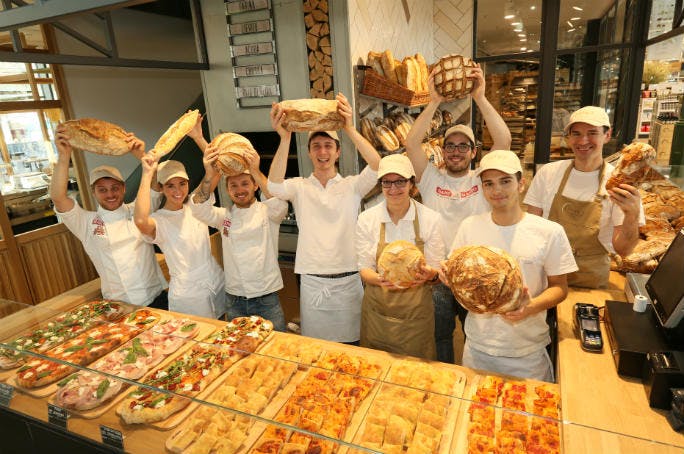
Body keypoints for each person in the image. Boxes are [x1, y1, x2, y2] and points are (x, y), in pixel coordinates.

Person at [405, 64, 512, 363]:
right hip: (437, 275)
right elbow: (411, 143)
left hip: (475, 275)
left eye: (463, 146)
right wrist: (435, 100)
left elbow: (504, 142)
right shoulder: (430, 178)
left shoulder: (482, 179)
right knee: (439, 336)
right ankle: (444, 377)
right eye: (449, 145)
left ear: (473, 152)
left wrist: (481, 98)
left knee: (473, 334)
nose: (455, 151)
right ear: (442, 150)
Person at [446, 150, 578, 381]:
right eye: (489, 184)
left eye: (505, 181)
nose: (497, 190)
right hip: (478, 348)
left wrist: (531, 307)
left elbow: (560, 288)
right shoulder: (470, 226)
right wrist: (446, 277)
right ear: (482, 189)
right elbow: (457, 276)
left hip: (526, 353)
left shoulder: (549, 232)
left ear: (521, 183)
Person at [268, 93, 381, 344]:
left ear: (338, 152)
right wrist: (285, 137)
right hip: (312, 278)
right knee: (317, 347)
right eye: (316, 146)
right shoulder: (299, 187)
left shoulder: (352, 185)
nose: (323, 151)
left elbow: (376, 165)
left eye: (328, 145)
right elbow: (273, 185)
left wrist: (349, 128)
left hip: (349, 276)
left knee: (353, 345)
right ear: (308, 152)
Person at [524, 106, 643, 289]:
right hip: (547, 275)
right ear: (569, 137)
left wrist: (632, 215)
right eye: (576, 133)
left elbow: (624, 250)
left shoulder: (619, 184)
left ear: (607, 135)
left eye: (592, 133)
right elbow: (531, 229)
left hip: (590, 278)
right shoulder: (548, 174)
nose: (583, 140)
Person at [50, 125, 168, 309]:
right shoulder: (87, 222)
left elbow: (154, 184)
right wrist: (64, 156)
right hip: (118, 306)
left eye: (115, 188)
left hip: (156, 299)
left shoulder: (138, 209)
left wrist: (140, 154)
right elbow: (58, 198)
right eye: (102, 190)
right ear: (93, 192)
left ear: (123, 188)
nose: (110, 194)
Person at [190, 140, 288, 332]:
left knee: (278, 348)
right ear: (227, 190)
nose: (240, 190)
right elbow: (197, 208)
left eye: (245, 183)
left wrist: (255, 170)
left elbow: (279, 203)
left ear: (255, 186)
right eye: (233, 186)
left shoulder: (267, 212)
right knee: (237, 350)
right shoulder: (224, 217)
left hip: (266, 297)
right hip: (234, 299)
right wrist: (212, 173)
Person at [355, 154, 445, 359]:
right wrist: (379, 279)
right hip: (378, 313)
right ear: (381, 185)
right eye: (387, 182)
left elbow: (436, 271)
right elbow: (364, 268)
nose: (393, 189)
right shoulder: (367, 218)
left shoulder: (430, 219)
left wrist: (431, 274)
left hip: (415, 316)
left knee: (415, 372)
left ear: (412, 184)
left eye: (400, 182)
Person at [134, 155, 225, 318]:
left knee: (224, 335)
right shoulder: (160, 220)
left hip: (215, 281)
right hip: (188, 295)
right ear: (161, 188)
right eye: (170, 186)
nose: (178, 191)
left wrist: (198, 137)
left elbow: (217, 171)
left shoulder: (195, 205)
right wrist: (147, 175)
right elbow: (140, 220)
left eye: (182, 184)